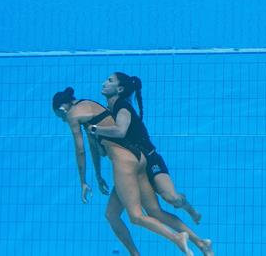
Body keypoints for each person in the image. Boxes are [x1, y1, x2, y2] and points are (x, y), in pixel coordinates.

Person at [53, 87, 202, 256]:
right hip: (138, 158)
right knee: (116, 214)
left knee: (136, 216)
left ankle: (177, 238)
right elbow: (94, 147)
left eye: (61, 118)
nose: (64, 120)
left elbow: (80, 151)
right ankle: (196, 243)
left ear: (62, 108)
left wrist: (83, 182)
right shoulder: (91, 105)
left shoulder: (73, 114)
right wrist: (98, 175)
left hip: (124, 163)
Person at [89, 73, 214, 256]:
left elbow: (121, 131)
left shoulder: (122, 106)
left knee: (172, 199)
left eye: (109, 81)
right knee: (151, 212)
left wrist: (95, 129)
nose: (104, 82)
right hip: (134, 165)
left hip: (150, 158)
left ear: (120, 89)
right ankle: (201, 243)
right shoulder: (112, 109)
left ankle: (190, 209)